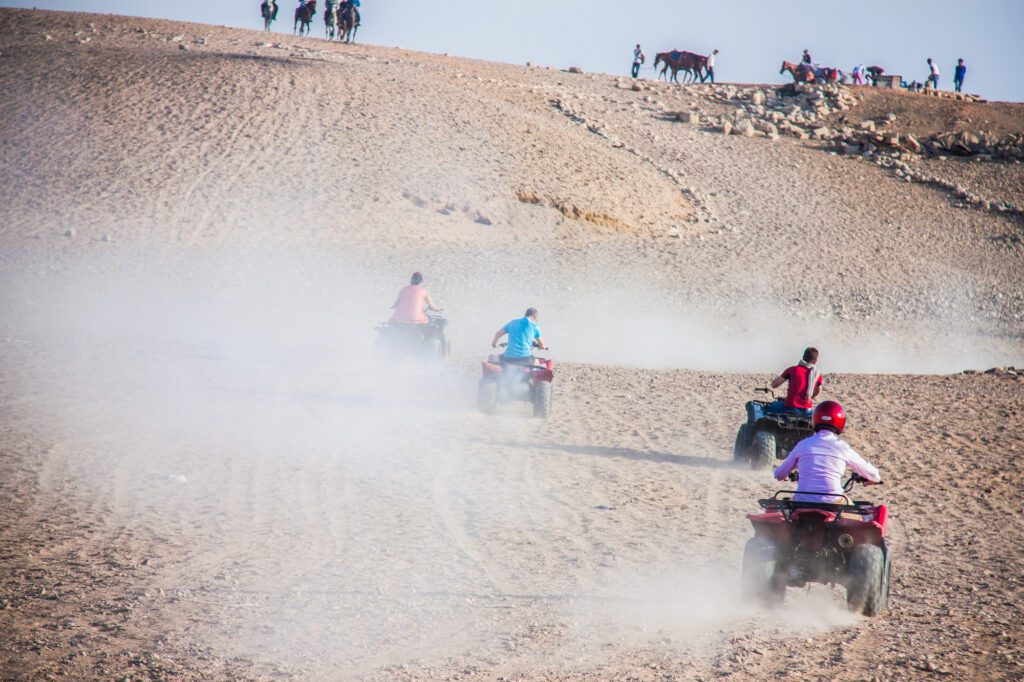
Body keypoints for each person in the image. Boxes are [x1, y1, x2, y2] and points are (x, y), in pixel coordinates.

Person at [774, 400, 881, 503]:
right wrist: (874, 479)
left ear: (814, 419)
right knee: (860, 514)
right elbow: (873, 474)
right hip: (833, 502)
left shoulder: (802, 445)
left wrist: (784, 475)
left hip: (802, 502)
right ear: (840, 422)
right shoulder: (842, 447)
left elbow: (779, 474)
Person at [767, 347, 823, 415]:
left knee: (771, 406)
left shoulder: (793, 370)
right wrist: (808, 397)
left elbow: (774, 385)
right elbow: (818, 391)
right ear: (816, 361)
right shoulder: (817, 374)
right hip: (807, 409)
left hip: (791, 407)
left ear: (803, 357)